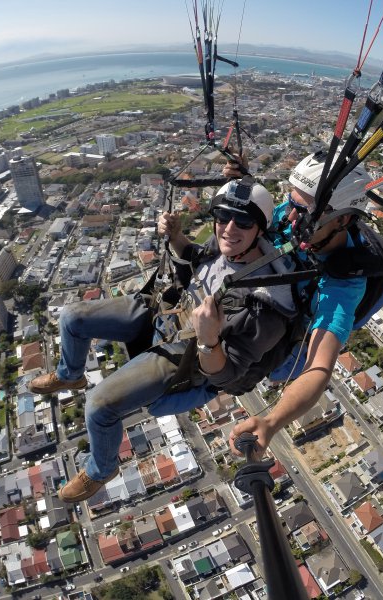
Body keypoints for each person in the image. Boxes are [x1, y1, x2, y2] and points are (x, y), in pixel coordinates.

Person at [30, 180, 295, 503]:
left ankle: (101, 469)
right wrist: (177, 237)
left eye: (242, 222)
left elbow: (226, 378)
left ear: (260, 228)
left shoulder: (263, 306)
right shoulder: (228, 245)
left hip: (184, 352)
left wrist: (209, 339)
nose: (228, 228)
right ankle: (70, 375)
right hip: (168, 312)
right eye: (223, 217)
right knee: (72, 318)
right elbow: (197, 265)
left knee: (99, 406)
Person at [224, 152, 383, 458]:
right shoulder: (296, 219)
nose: (290, 215)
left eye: (302, 209)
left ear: (343, 219)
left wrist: (271, 422)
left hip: (272, 351)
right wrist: (238, 184)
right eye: (291, 201)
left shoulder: (344, 284)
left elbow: (318, 367)